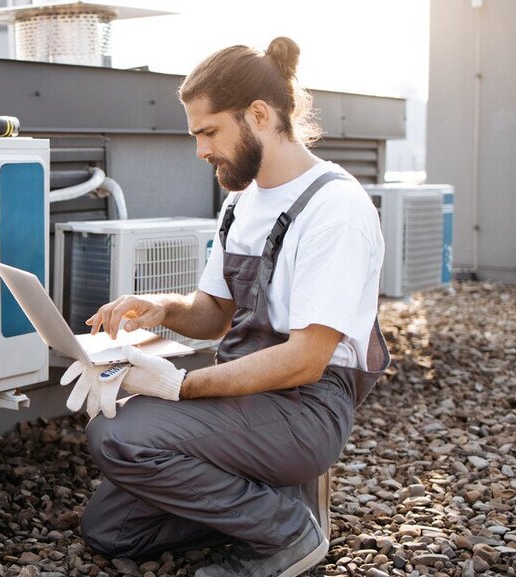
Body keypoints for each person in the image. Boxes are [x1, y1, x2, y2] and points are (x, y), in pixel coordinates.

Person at [60, 37, 390, 577]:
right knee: (112, 530)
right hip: (247, 396)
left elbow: (306, 360)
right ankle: (269, 501)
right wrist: (161, 308)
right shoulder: (241, 201)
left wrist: (176, 386)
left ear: (258, 115)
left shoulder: (336, 207)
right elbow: (213, 313)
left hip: (305, 408)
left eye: (208, 132)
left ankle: (288, 534)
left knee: (119, 436)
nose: (200, 151)